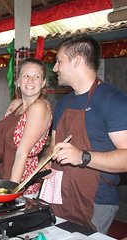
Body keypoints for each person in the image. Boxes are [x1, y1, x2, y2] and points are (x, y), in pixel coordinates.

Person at [40, 34, 127, 234]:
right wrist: (39, 169)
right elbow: (53, 148)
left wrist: (82, 157)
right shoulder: (63, 103)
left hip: (94, 201)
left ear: (77, 60)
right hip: (58, 196)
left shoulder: (114, 101)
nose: (54, 68)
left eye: (59, 61)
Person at [0, 58, 52, 197]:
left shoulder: (40, 107)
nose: (30, 80)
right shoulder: (15, 105)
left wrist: (11, 192)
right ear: (18, 81)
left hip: (20, 184)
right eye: (26, 76)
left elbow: (23, 151)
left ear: (43, 83)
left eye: (37, 77)